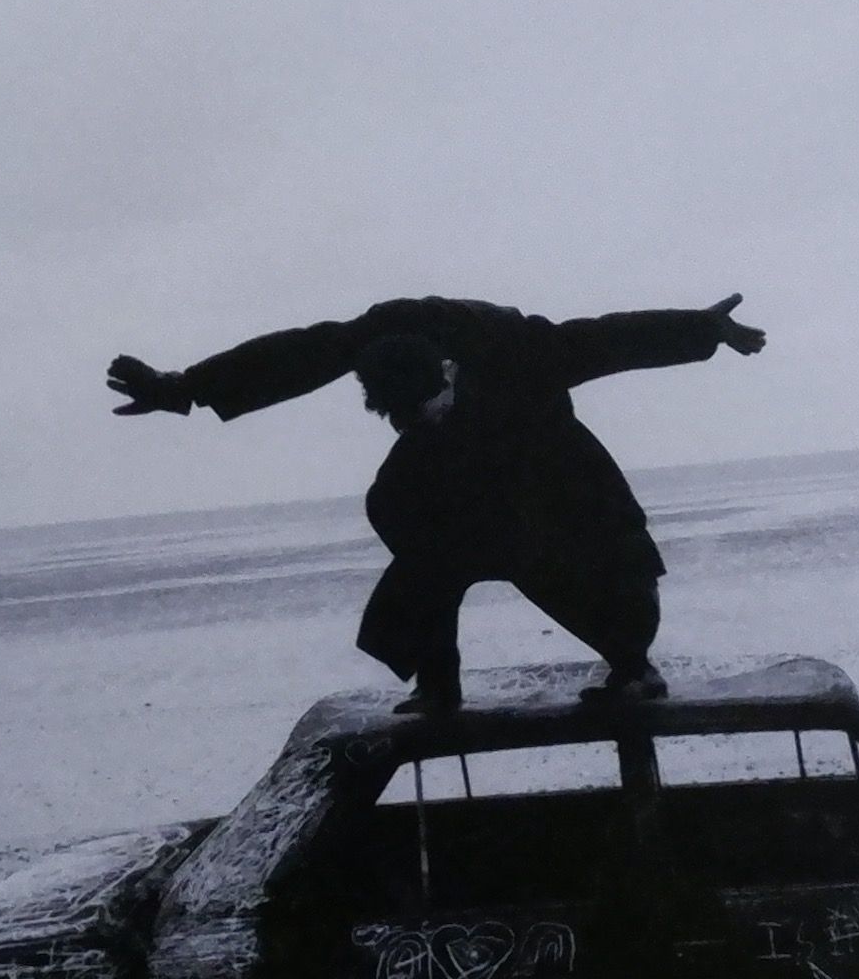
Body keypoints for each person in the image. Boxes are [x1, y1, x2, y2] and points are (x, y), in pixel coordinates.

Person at [108, 292, 767, 710]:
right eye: (399, 417)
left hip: (545, 463)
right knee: (402, 512)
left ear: (449, 371)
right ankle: (436, 679)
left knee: (573, 558)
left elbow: (604, 337)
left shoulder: (514, 346)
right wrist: (183, 387)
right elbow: (295, 355)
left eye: (425, 407)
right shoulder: (376, 335)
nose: (415, 420)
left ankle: (632, 664)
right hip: (454, 475)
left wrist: (701, 327)